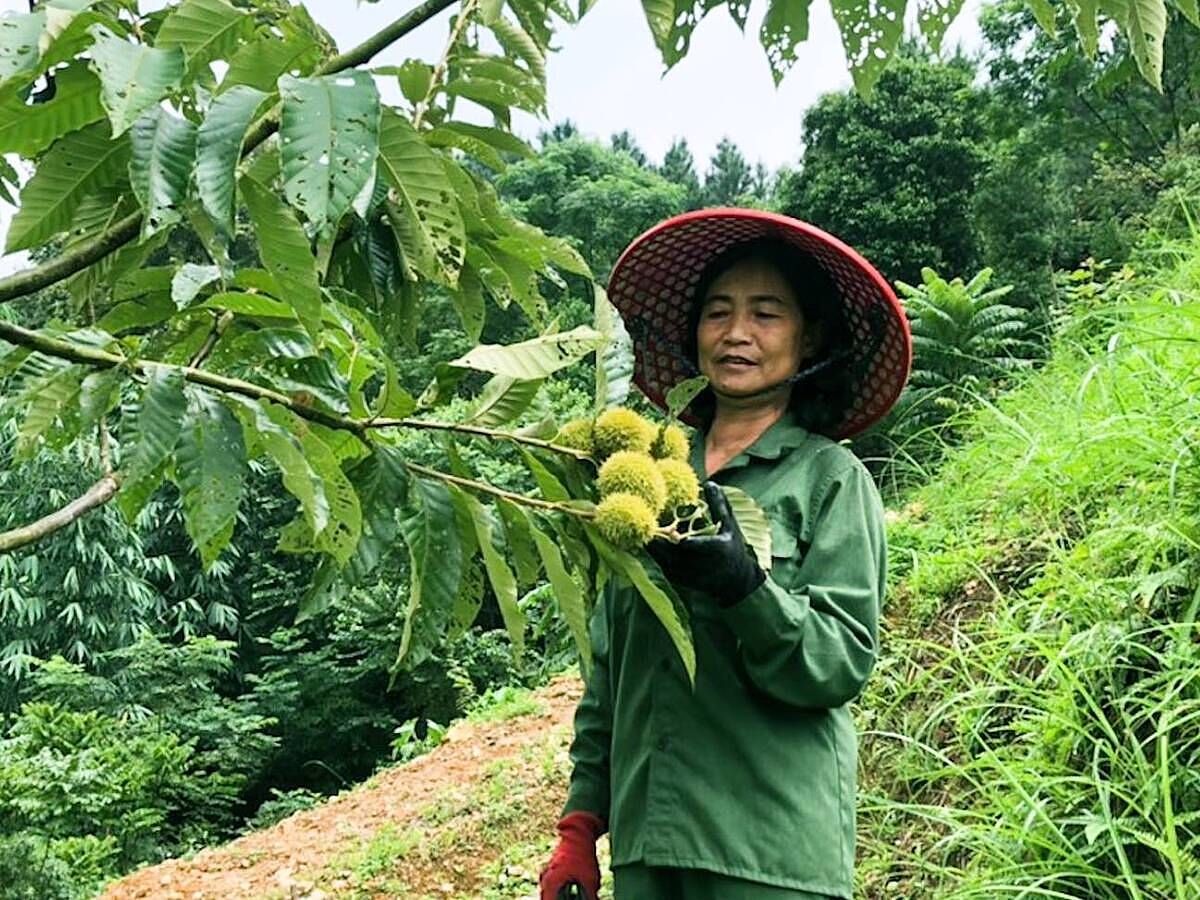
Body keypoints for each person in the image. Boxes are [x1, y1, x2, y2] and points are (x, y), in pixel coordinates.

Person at [539, 209, 912, 900]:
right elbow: (611, 673)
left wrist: (747, 589)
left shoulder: (828, 480)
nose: (737, 333)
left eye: (766, 314)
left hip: (768, 854)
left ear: (811, 339)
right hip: (651, 855)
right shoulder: (649, 485)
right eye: (718, 313)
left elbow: (839, 662)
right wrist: (581, 825)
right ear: (694, 335)